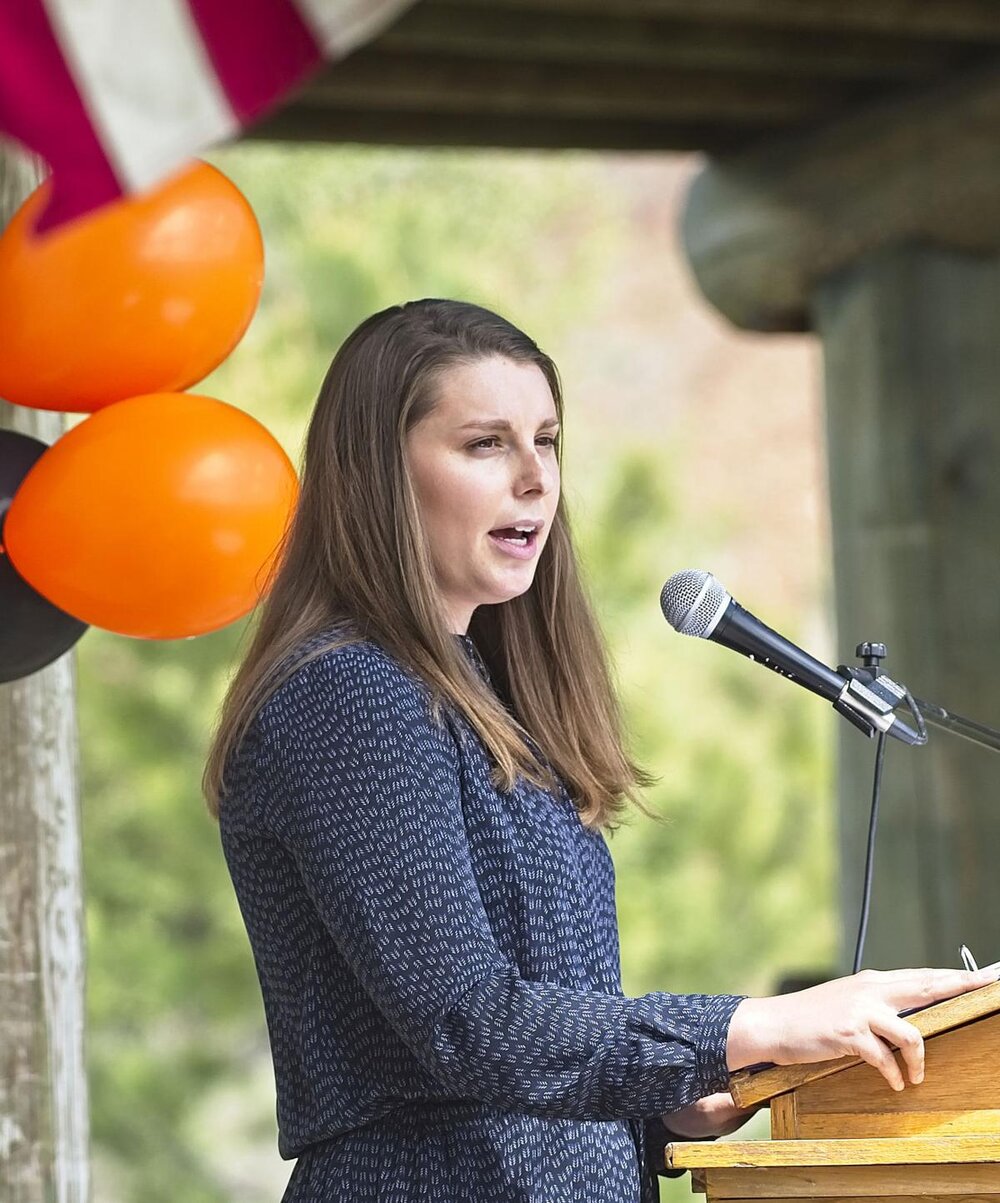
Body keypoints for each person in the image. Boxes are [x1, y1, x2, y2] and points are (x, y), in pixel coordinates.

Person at [203, 299, 995, 1202]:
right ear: (378, 475)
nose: (536, 479)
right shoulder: (347, 694)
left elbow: (530, 1061)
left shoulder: (495, 698)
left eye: (546, 440)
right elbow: (472, 1025)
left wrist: (680, 1103)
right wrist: (753, 1022)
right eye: (485, 444)